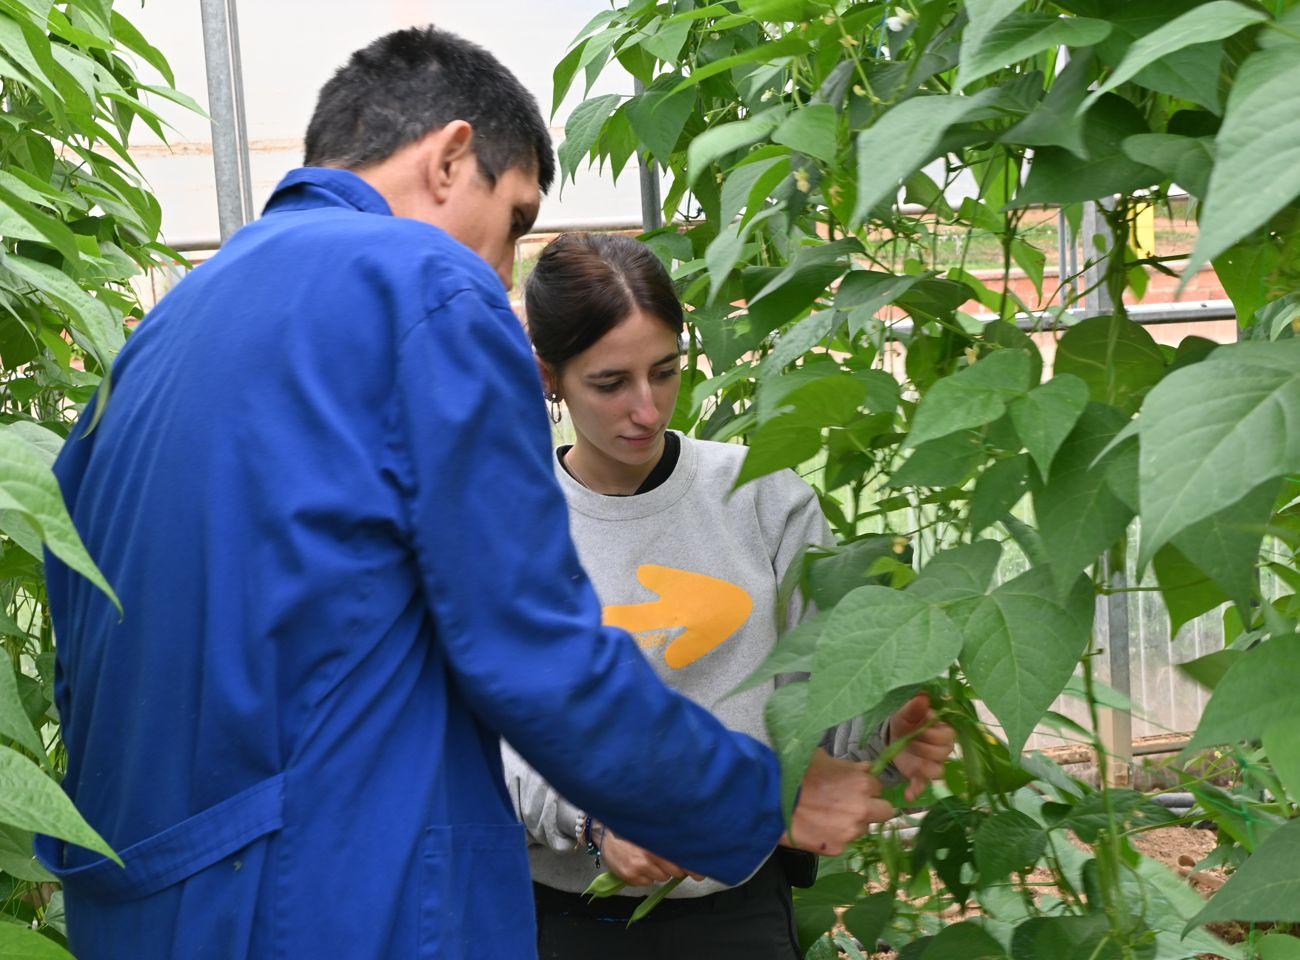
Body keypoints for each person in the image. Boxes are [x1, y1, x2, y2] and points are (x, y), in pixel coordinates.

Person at [38, 27, 896, 960]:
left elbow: (83, 655)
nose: (504, 272)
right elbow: (529, 647)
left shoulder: (156, 340)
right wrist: (760, 798)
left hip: (149, 897)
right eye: (517, 219)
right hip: (332, 897)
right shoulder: (425, 285)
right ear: (451, 157)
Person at [503, 233, 957, 959]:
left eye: (665, 372)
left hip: (738, 912)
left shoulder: (762, 497)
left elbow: (818, 703)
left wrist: (886, 734)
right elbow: (492, 730)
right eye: (611, 383)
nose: (646, 409)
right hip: (562, 923)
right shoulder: (510, 519)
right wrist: (592, 823)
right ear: (550, 376)